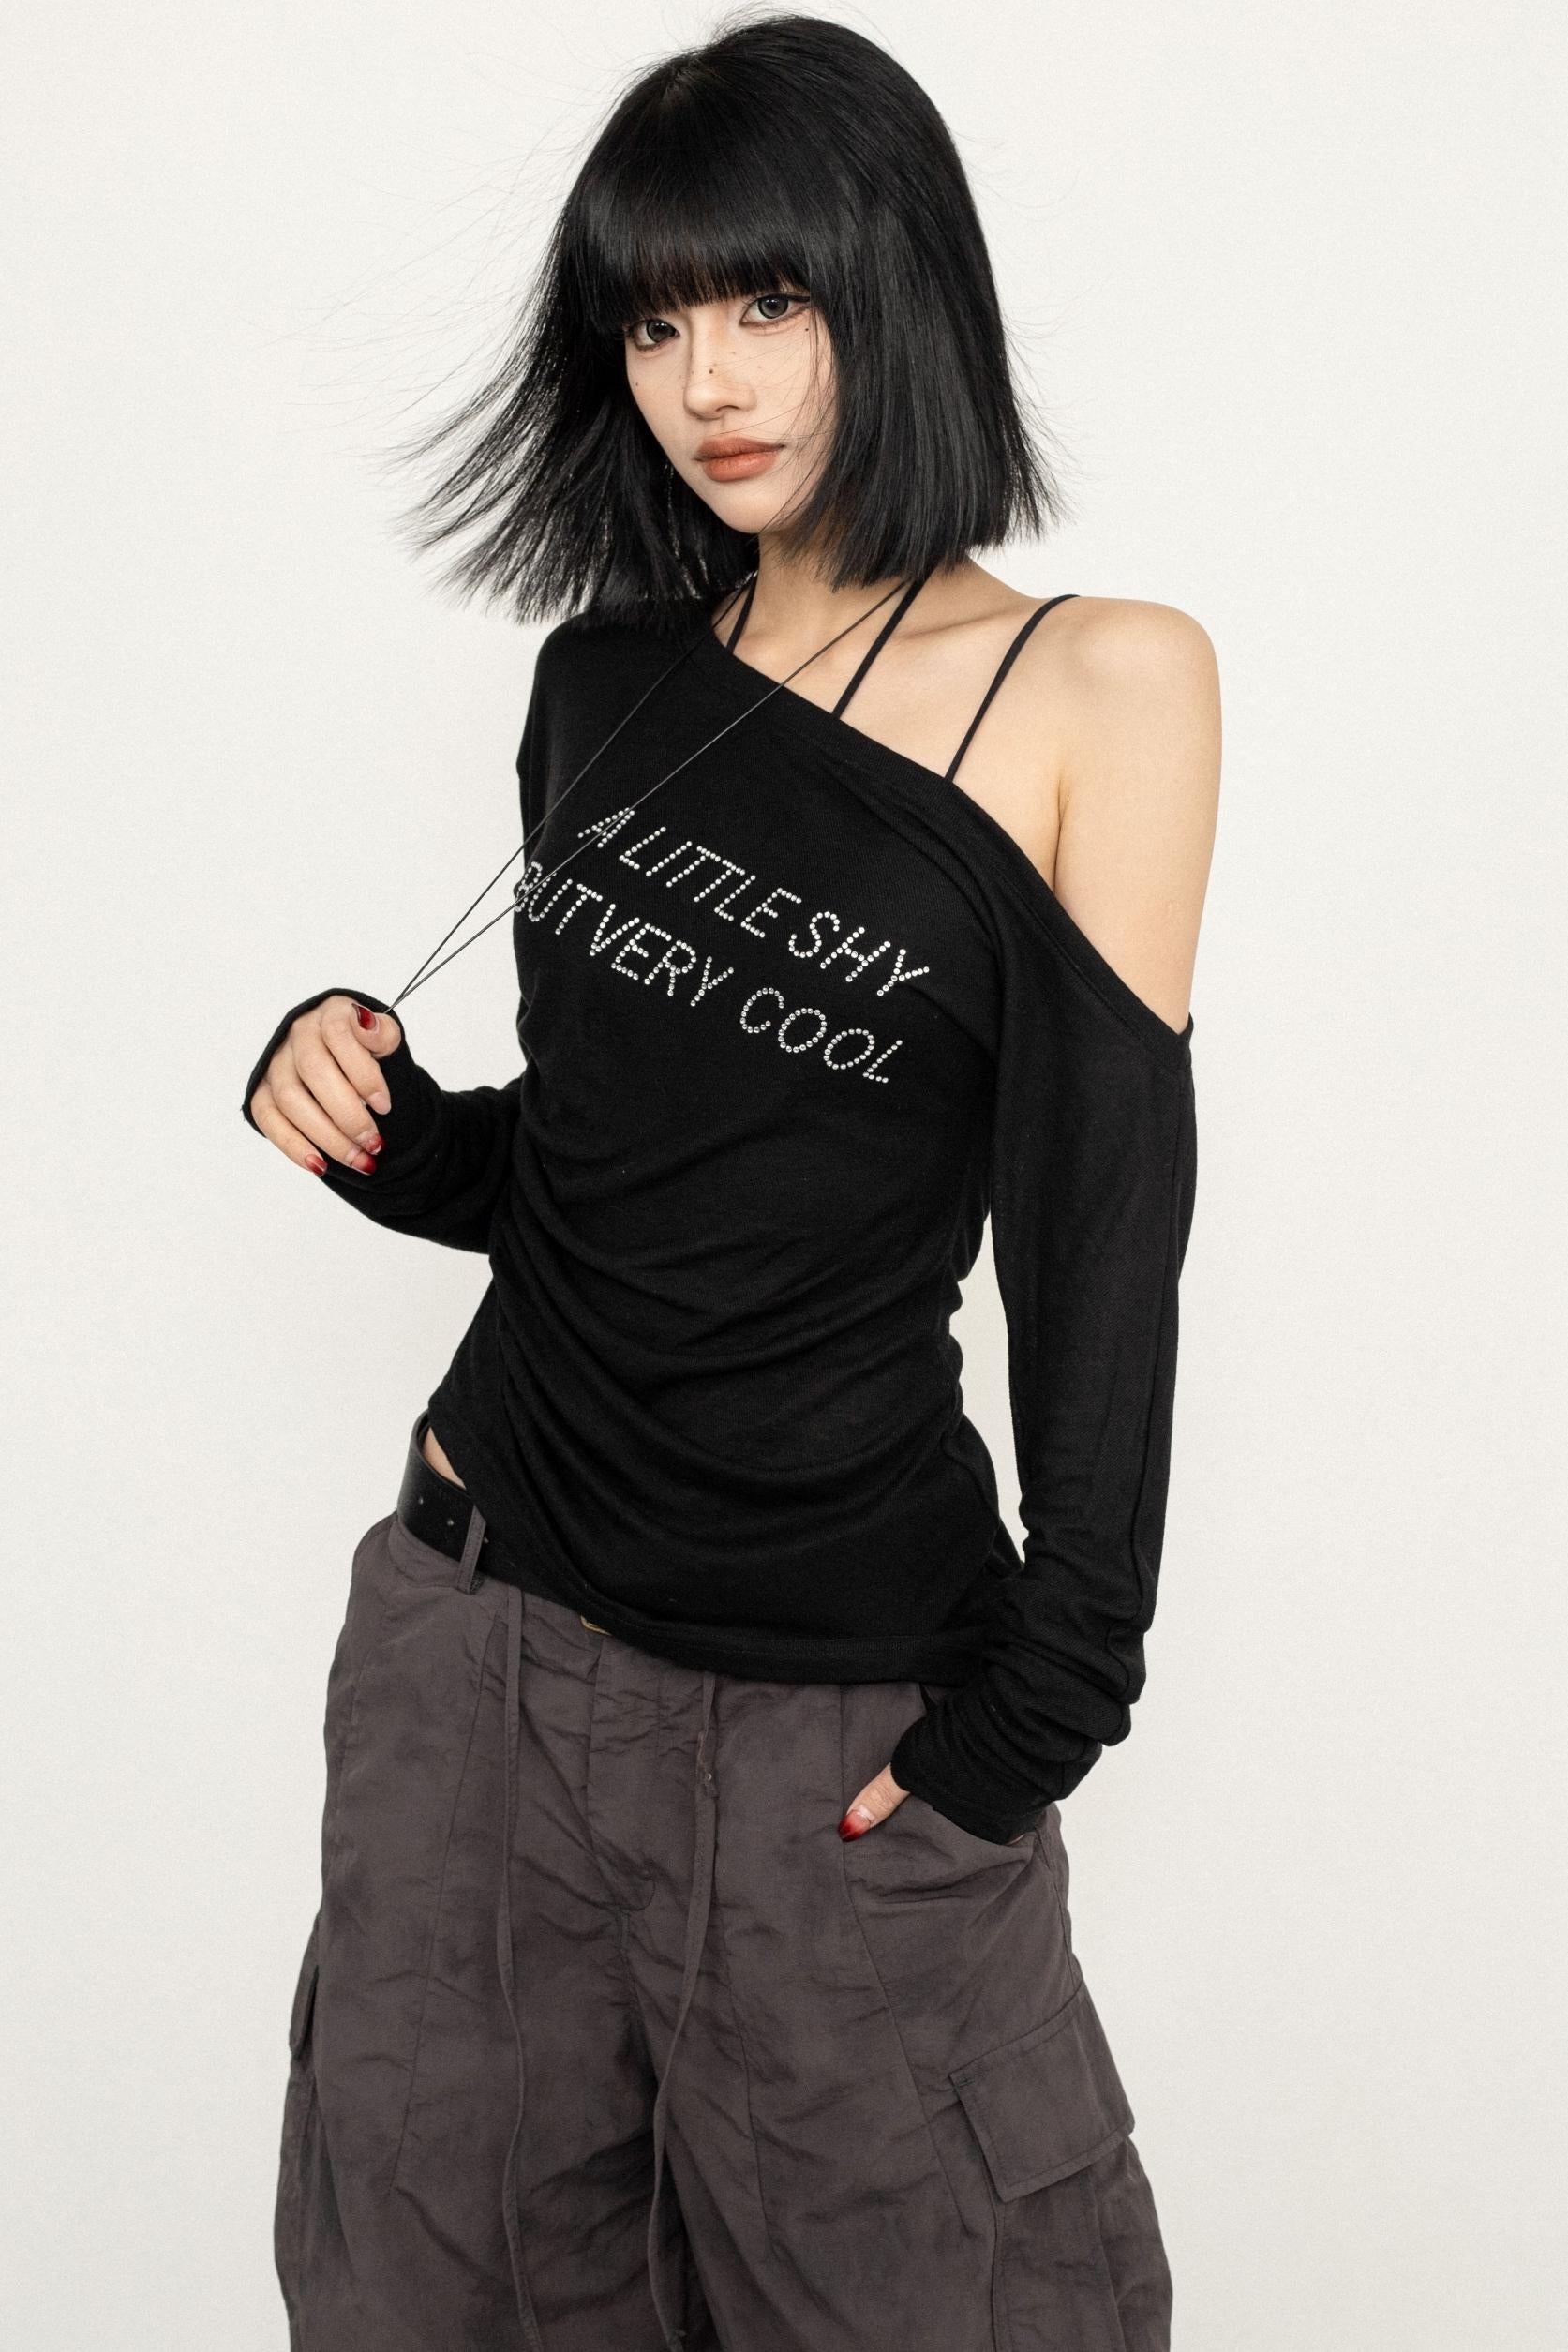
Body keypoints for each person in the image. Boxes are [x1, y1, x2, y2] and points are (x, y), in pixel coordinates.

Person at [242, 14, 1218, 2350]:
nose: (710, 379)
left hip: (830, 1711)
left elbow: (1099, 1232)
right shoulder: (604, 680)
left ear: (895, 287)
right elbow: (604, 1173)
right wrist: (377, 1117)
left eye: (766, 300)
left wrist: (1048, 1700)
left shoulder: (1103, 688)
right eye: (655, 321)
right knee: (429, 2301)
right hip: (479, 1645)